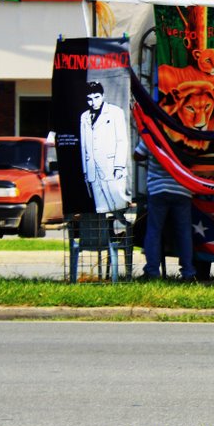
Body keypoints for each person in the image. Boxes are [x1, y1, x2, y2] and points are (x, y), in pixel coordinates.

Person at [133, 141, 196, 282]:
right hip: (182, 189)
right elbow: (193, 159)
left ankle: (152, 272)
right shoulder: (185, 135)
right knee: (184, 233)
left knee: (154, 231)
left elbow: (137, 155)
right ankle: (188, 272)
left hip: (158, 189)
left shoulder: (154, 134)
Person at [79, 81, 129, 213]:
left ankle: (122, 231)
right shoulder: (84, 117)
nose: (93, 102)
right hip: (92, 170)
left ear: (103, 96)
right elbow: (83, 145)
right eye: (89, 99)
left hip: (111, 166)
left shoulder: (115, 112)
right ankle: (108, 232)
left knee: (118, 206)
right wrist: (85, 170)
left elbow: (122, 140)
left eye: (96, 97)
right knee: (100, 208)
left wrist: (119, 166)